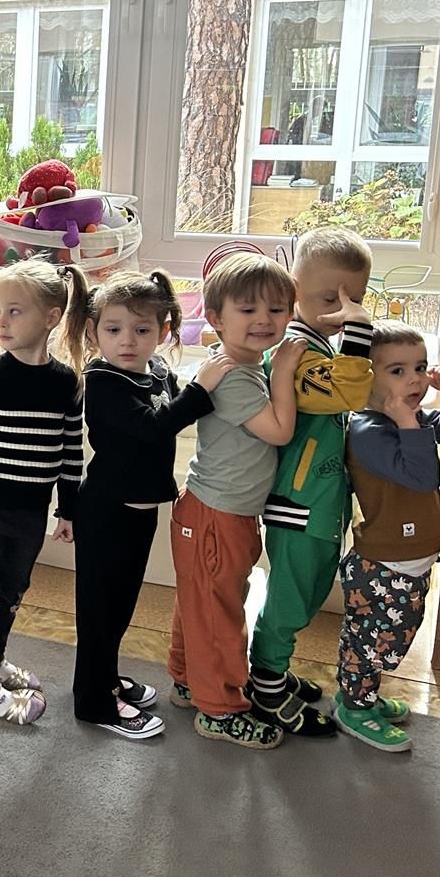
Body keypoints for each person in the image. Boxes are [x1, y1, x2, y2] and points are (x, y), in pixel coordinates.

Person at [72, 270, 234, 740]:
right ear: (94, 331)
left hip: (139, 511)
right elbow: (154, 426)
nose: (127, 340)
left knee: (121, 605)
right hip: (106, 512)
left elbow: (176, 407)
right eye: (114, 329)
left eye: (142, 329)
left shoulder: (158, 371)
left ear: (164, 331)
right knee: (100, 612)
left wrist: (203, 384)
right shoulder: (102, 380)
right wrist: (201, 389)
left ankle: (105, 677)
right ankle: (93, 701)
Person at [167, 252, 305, 749]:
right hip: (215, 515)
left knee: (202, 604)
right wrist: (284, 370)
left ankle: (189, 681)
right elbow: (280, 430)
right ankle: (219, 710)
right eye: (248, 310)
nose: (264, 320)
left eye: (277, 309)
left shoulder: (240, 364)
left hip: (222, 511)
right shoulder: (234, 377)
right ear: (217, 318)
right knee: (219, 615)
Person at [0, 259, 89, 727]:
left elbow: (71, 451)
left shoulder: (66, 383)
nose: (1, 321)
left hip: (30, 514)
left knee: (11, 593)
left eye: (14, 311)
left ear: (51, 317)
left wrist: (68, 510)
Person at [247, 228, 377, 738]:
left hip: (322, 500)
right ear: (293, 288)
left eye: (355, 300)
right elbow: (347, 390)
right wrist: (360, 330)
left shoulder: (320, 342)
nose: (345, 310)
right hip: (297, 503)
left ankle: (273, 670)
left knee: (312, 591)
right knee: (291, 599)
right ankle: (266, 683)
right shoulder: (292, 349)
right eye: (331, 299)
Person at [335, 322, 440, 751]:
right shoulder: (369, 430)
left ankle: (363, 696)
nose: (415, 379)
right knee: (372, 641)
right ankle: (353, 708)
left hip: (406, 562)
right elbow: (422, 475)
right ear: (367, 379)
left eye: (420, 367)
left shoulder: (403, 420)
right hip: (384, 565)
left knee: (389, 637)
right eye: (397, 371)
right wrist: (407, 422)